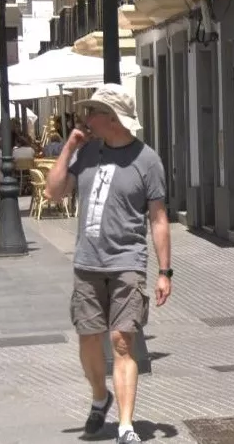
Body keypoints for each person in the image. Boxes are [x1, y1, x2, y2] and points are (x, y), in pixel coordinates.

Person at [45, 83, 172, 444]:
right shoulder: (85, 154)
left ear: (111, 118)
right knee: (88, 338)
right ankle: (100, 398)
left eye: (92, 113)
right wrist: (69, 147)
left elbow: (159, 218)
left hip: (126, 263)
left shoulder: (147, 160)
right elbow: (54, 193)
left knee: (120, 341)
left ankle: (126, 425)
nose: (85, 119)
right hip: (87, 263)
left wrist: (164, 272)